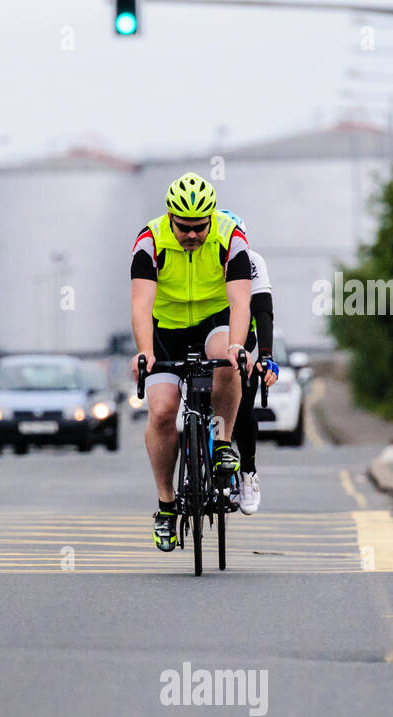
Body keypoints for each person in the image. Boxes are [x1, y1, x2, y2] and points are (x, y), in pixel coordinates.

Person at [129, 173, 254, 552]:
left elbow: (240, 303)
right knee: (164, 410)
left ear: (211, 218)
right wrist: (145, 353)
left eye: (200, 227)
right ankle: (166, 506)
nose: (192, 235)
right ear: (170, 217)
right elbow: (140, 304)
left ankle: (223, 443)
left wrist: (237, 345)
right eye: (184, 228)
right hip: (165, 326)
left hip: (214, 319)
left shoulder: (230, 238)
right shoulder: (149, 242)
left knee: (226, 357)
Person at [218, 210, 279, 515]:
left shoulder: (252, 262)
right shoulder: (204, 258)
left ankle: (248, 472)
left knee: (241, 404)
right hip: (209, 339)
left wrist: (266, 357)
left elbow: (263, 311)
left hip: (244, 342)